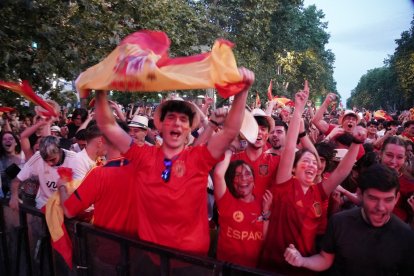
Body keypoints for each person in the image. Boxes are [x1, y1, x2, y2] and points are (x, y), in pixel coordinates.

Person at [94, 67, 254, 256]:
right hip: (151, 260)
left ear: (188, 129)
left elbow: (230, 132)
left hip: (191, 262)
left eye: (183, 119)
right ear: (160, 125)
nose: (177, 123)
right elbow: (107, 125)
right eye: (171, 117)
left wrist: (242, 91)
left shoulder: (199, 157)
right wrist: (99, 90)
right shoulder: (142, 154)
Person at [259, 85, 366, 275]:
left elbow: (341, 171)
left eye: (314, 163)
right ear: (293, 167)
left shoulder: (319, 192)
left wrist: (357, 143)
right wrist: (298, 109)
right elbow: (290, 146)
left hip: (305, 266)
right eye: (305, 161)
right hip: (273, 265)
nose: (311, 165)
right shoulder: (284, 184)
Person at [284, 164, 414, 275]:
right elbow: (325, 259)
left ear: (397, 198)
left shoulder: (405, 235)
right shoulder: (340, 222)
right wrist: (302, 261)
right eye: (373, 198)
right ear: (360, 194)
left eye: (388, 200)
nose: (380, 207)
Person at [213, 149, 272, 267]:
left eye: (247, 174)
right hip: (226, 269)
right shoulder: (226, 200)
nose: (243, 179)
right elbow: (218, 174)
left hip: (252, 270)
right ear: (231, 182)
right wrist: (230, 150)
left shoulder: (264, 202)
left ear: (254, 179)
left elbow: (265, 240)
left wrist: (266, 212)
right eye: (237, 175)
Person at [9, 136, 77, 210]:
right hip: (44, 205)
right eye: (45, 160)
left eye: (53, 159)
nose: (49, 164)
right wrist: (14, 196)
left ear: (59, 150)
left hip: (66, 206)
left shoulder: (74, 159)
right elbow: (16, 180)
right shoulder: (38, 157)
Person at [231, 108, 279, 198]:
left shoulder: (275, 162)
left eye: (263, 129)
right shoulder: (233, 160)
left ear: (268, 135)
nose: (259, 132)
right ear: (245, 133)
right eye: (254, 128)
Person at [379, 136, 414, 224]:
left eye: (399, 157)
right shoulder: (369, 174)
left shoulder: (410, 185)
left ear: (405, 158)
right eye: (389, 155)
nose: (393, 161)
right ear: (380, 154)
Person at [0, 131, 25, 197]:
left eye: (11, 139)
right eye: (4, 139)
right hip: (7, 196)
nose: (7, 140)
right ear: (1, 144)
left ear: (16, 142)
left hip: (24, 195)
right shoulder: (1, 161)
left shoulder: (24, 156)